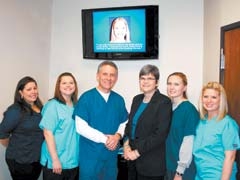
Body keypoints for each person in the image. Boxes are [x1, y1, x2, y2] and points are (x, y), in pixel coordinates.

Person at [73, 60, 128, 180]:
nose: (109, 78)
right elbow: (80, 127)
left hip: (110, 158)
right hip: (90, 157)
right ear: (97, 76)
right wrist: (106, 140)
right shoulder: (86, 98)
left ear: (116, 78)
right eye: (105, 74)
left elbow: (124, 123)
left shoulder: (119, 100)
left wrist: (117, 136)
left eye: (112, 75)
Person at [123, 64, 172, 180]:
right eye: (143, 78)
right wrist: (126, 145)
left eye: (150, 78)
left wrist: (136, 152)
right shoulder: (136, 99)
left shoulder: (164, 102)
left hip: (151, 163)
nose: (145, 81)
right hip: (132, 162)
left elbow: (160, 135)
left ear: (157, 82)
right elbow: (129, 126)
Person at [193, 81, 240, 180]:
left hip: (219, 176)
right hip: (200, 175)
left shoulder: (228, 124)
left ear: (220, 100)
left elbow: (230, 157)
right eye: (206, 97)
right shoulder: (201, 122)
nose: (209, 101)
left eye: (214, 97)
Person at [0, 76, 44, 180]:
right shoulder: (15, 110)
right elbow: (2, 133)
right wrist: (14, 147)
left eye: (35, 88)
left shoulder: (41, 108)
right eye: (29, 89)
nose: (33, 91)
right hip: (20, 161)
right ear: (21, 92)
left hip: (36, 158)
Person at [39, 72, 79, 180]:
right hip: (56, 161)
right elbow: (47, 133)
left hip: (72, 160)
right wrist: (55, 159)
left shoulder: (77, 106)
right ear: (58, 86)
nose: (68, 85)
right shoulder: (53, 105)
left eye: (71, 83)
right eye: (64, 83)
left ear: (75, 86)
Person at [165, 72, 199, 180]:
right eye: (169, 84)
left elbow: (189, 142)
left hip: (182, 171)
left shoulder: (189, 110)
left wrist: (180, 172)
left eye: (176, 84)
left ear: (184, 87)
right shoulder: (167, 108)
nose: (171, 87)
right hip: (168, 166)